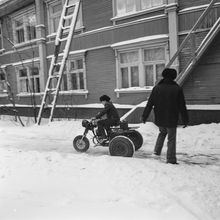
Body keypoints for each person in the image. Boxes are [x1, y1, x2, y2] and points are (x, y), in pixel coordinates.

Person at [142, 68, 188, 164]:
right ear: (174, 77)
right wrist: (185, 119)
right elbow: (182, 106)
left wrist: (144, 116)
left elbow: (149, 104)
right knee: (171, 138)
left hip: (159, 117)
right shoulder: (177, 89)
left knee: (162, 133)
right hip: (171, 118)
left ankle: (156, 152)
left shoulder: (156, 88)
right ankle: (171, 159)